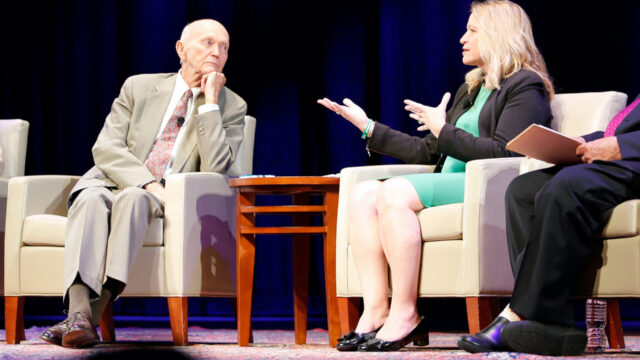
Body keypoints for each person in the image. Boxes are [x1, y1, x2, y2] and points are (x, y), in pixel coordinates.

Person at [318, 0, 553, 352]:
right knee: (364, 194)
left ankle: (406, 314)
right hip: (453, 182)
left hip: (486, 189)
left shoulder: (524, 85)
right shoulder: (471, 89)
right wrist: (368, 127)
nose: (462, 38)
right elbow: (430, 151)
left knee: (393, 194)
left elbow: (507, 153)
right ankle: (376, 309)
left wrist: (444, 130)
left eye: (472, 30)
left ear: (498, 34)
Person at [39, 19, 247, 348]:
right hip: (113, 180)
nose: (217, 52)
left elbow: (216, 167)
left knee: (134, 200)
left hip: (165, 194)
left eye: (224, 48)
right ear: (181, 49)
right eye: (207, 43)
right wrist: (148, 182)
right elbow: (106, 147)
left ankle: (85, 317)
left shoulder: (231, 106)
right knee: (89, 199)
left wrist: (208, 104)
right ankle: (81, 313)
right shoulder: (139, 87)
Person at [458, 95, 640, 356]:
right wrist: (584, 142)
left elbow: (624, 139)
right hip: (625, 160)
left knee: (565, 187)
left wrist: (622, 146)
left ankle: (523, 314)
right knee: (523, 190)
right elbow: (620, 130)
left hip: (633, 162)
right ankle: (553, 323)